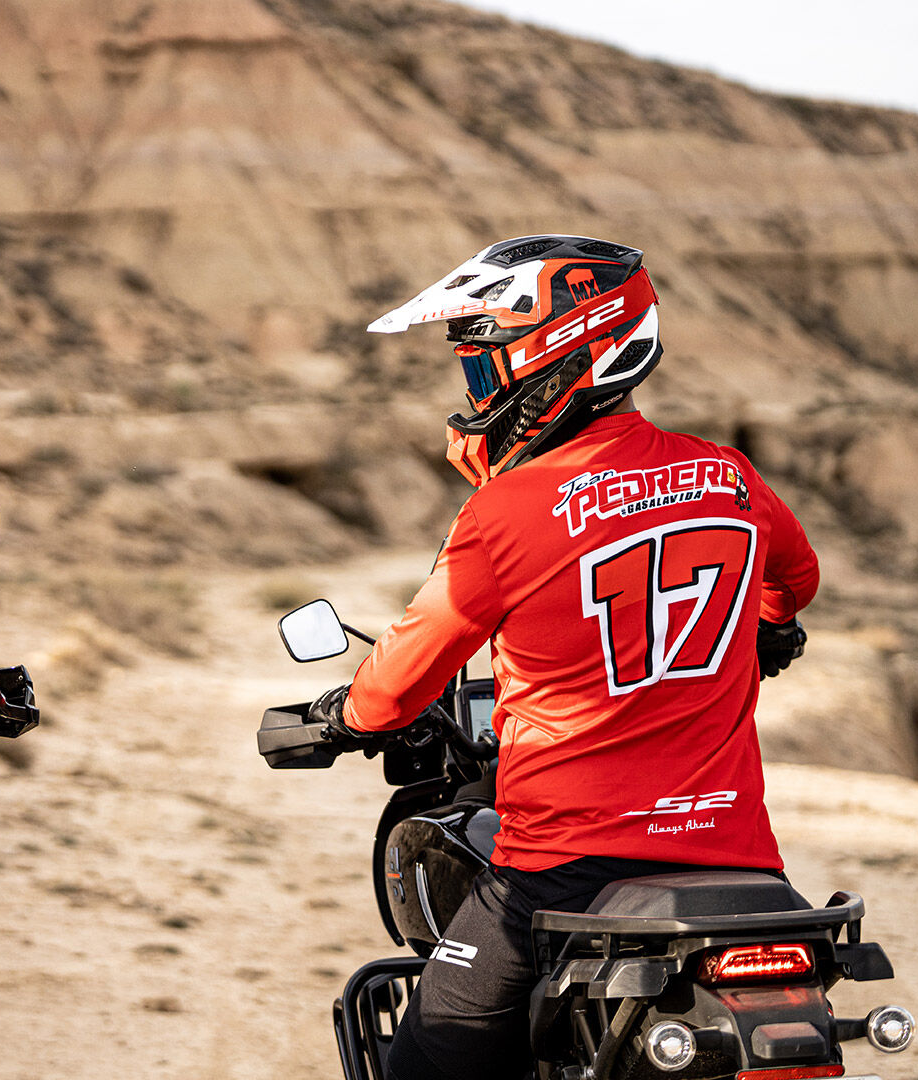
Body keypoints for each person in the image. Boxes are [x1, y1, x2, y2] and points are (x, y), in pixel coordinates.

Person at [308, 235, 817, 1080]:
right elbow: (794, 580)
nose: (476, 393)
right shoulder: (729, 476)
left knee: (423, 1057)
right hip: (740, 859)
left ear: (561, 361)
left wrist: (343, 716)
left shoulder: (507, 512)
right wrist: (770, 626)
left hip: (566, 867)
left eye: (485, 369)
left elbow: (396, 685)